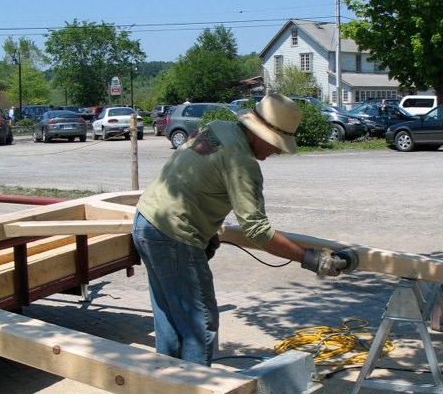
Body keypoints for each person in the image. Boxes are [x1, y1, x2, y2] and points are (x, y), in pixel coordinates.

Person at [132, 93, 346, 366]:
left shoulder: (219, 127)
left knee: (170, 319)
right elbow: (257, 231)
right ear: (260, 133)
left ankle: (169, 389)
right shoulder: (243, 164)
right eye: (276, 143)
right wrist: (310, 258)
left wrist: (208, 232)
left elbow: (198, 177)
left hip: (146, 221)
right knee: (200, 326)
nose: (278, 150)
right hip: (175, 236)